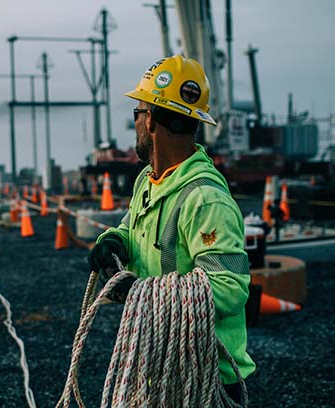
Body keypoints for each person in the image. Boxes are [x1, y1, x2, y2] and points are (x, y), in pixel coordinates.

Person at [87, 54, 256, 404]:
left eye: (137, 111)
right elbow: (133, 227)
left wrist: (145, 295)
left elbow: (230, 287)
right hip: (161, 368)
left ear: (151, 120)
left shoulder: (205, 198)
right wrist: (113, 240)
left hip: (206, 378)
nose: (134, 121)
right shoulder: (148, 182)